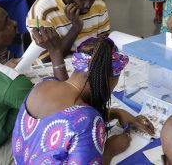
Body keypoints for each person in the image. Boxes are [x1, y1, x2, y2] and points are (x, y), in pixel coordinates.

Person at [12, 37, 155, 163]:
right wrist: (111, 149)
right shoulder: (89, 121)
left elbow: (64, 122)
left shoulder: (44, 84)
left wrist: (117, 113)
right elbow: (78, 122)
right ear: (103, 80)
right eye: (112, 85)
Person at [0, 6, 66, 164]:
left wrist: (1, 69)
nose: (15, 22)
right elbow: (64, 109)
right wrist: (56, 51)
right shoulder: (11, 83)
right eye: (6, 22)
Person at [26, 0, 111, 61]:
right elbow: (46, 60)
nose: (88, 5)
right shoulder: (42, 11)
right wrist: (75, 28)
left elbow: (104, 43)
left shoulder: (98, 2)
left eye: (92, 0)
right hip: (58, 70)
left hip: (90, 65)